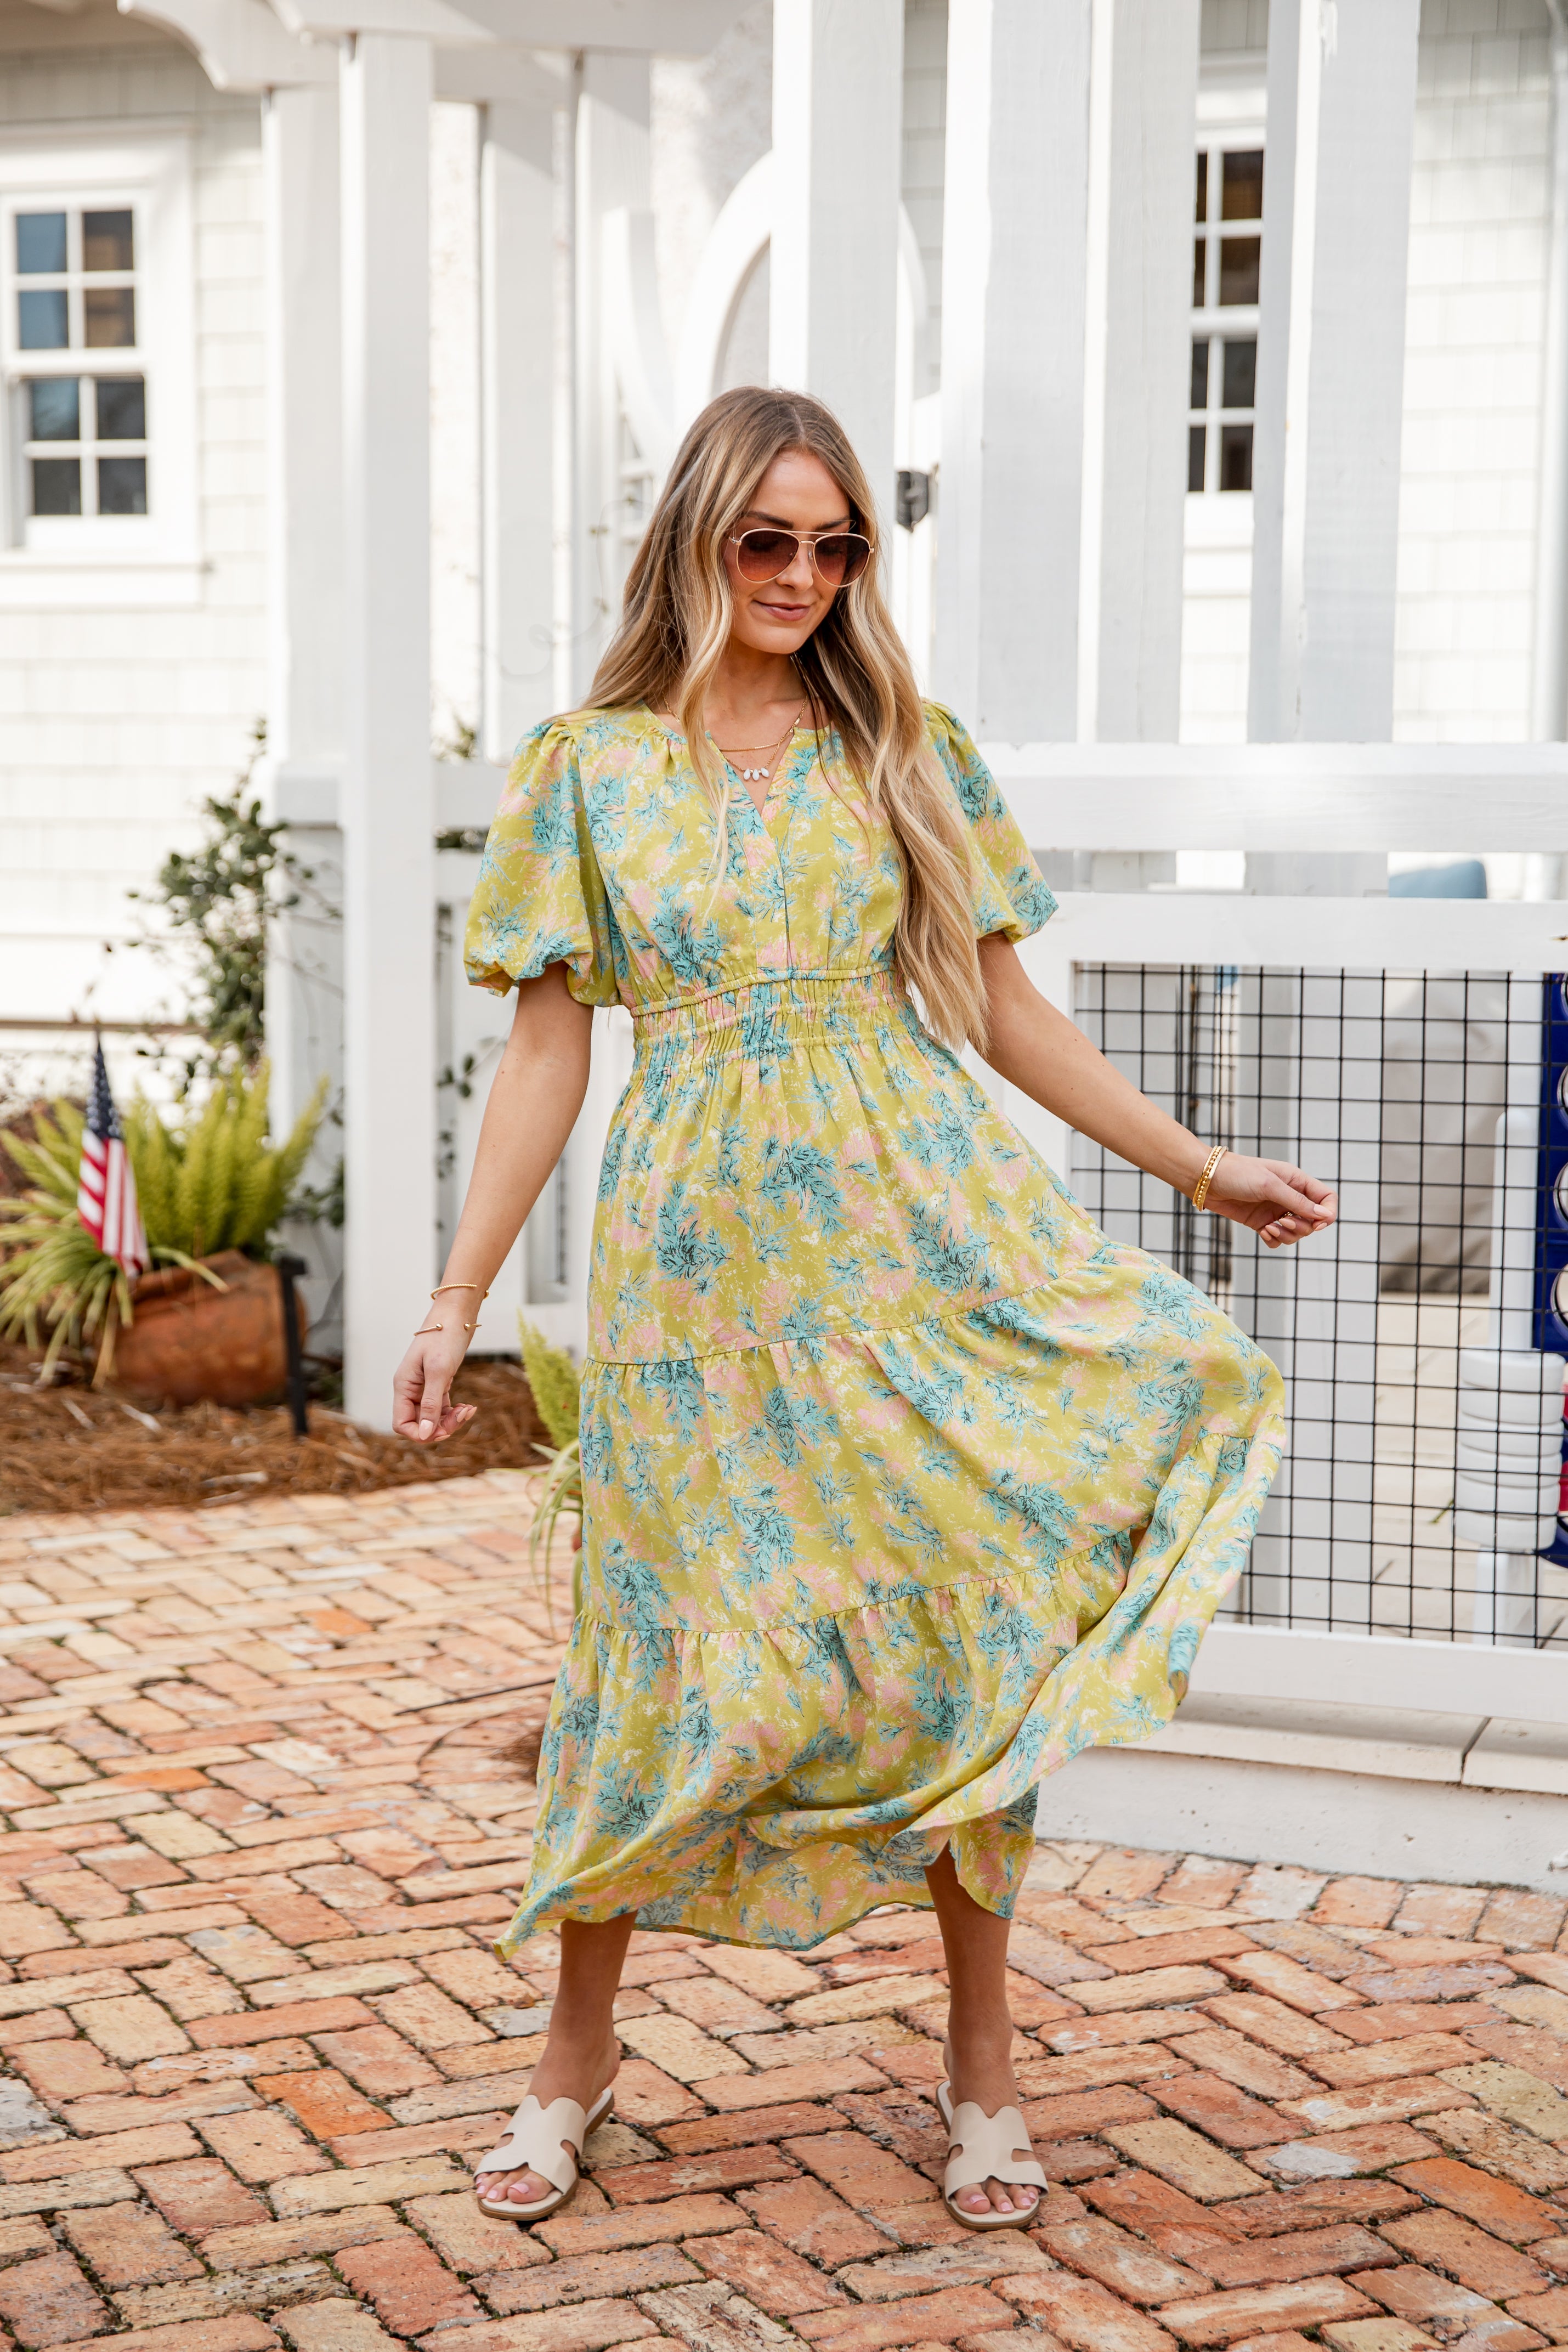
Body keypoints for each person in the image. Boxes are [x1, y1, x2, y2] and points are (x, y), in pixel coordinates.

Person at [393, 386, 1337, 2233]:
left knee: (956, 1640)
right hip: (694, 1271)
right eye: (769, 542)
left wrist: (1192, 1164)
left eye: (836, 547)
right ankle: (573, 2061)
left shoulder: (898, 741)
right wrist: (457, 1296)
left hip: (917, 1237)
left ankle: (981, 2072)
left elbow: (999, 1009)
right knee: (654, 1648)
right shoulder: (587, 765)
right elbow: (541, 1052)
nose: (805, 578)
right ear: (694, 540)